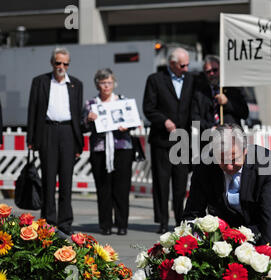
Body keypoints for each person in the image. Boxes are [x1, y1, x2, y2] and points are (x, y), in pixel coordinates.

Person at [183, 123, 271, 265]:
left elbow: (269, 215)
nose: (230, 166)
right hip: (226, 230)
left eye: (234, 159)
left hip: (260, 222)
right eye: (223, 161)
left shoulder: (266, 162)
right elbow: (193, 214)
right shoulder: (204, 166)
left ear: (245, 151)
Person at [26, 47, 83, 235]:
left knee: (66, 181)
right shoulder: (40, 82)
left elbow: (77, 114)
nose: (61, 66)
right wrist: (31, 138)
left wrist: (78, 141)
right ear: (52, 63)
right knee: (49, 179)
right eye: (58, 62)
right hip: (47, 131)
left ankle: (65, 222)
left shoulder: (76, 84)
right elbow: (33, 110)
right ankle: (48, 222)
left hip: (67, 132)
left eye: (65, 63)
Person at [143, 47, 194, 234]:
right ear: (172, 64)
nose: (186, 68)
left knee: (180, 184)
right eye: (183, 65)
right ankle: (163, 221)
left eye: (188, 64)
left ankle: (180, 221)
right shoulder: (155, 80)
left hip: (182, 140)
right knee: (161, 183)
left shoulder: (191, 80)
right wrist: (163, 120)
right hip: (161, 140)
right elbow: (148, 108)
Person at [82, 68, 133, 236]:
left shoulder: (122, 100)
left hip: (121, 148)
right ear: (97, 84)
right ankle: (105, 224)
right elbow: (83, 126)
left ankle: (122, 223)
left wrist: (127, 125)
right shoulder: (91, 104)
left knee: (122, 187)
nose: (106, 86)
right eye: (103, 83)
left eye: (109, 83)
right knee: (103, 187)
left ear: (114, 84)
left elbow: (133, 120)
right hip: (100, 149)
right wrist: (88, 119)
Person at [192, 55, 249, 132]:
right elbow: (195, 118)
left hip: (231, 136)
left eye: (215, 70)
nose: (212, 74)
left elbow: (245, 113)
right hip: (209, 138)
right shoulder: (200, 92)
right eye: (208, 72)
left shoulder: (234, 88)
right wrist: (211, 128)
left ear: (221, 69)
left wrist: (227, 103)